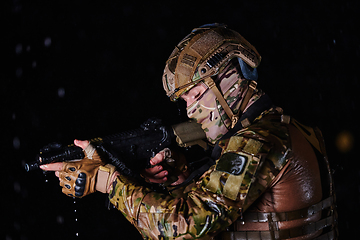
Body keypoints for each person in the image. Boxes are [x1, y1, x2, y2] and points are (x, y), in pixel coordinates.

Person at [41, 24, 337, 239]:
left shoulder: (259, 141)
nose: (191, 110)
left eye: (195, 95)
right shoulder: (280, 128)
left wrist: (111, 183)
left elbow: (180, 227)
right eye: (185, 102)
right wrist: (183, 180)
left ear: (229, 78)